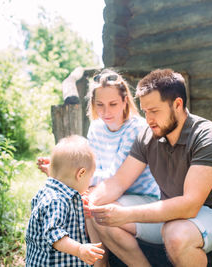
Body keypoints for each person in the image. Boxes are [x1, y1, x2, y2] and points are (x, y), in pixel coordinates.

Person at [88, 69, 212, 267]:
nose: (148, 119)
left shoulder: (207, 136)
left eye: (155, 111)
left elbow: (190, 205)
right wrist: (90, 202)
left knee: (176, 235)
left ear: (177, 104)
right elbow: (118, 182)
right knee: (102, 214)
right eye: (145, 111)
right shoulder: (147, 135)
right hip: (169, 213)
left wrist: (126, 215)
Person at [38, 69, 161, 267]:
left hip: (143, 197)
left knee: (96, 209)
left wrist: (65, 174)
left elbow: (115, 176)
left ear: (124, 102)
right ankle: (100, 264)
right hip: (112, 192)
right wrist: (61, 168)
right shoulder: (96, 127)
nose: (106, 112)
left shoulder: (136, 128)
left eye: (113, 104)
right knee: (88, 202)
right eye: (100, 105)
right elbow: (90, 168)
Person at [25, 135, 105, 266]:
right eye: (90, 177)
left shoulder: (50, 191)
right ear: (81, 174)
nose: (90, 182)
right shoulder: (57, 201)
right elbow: (54, 234)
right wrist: (79, 249)